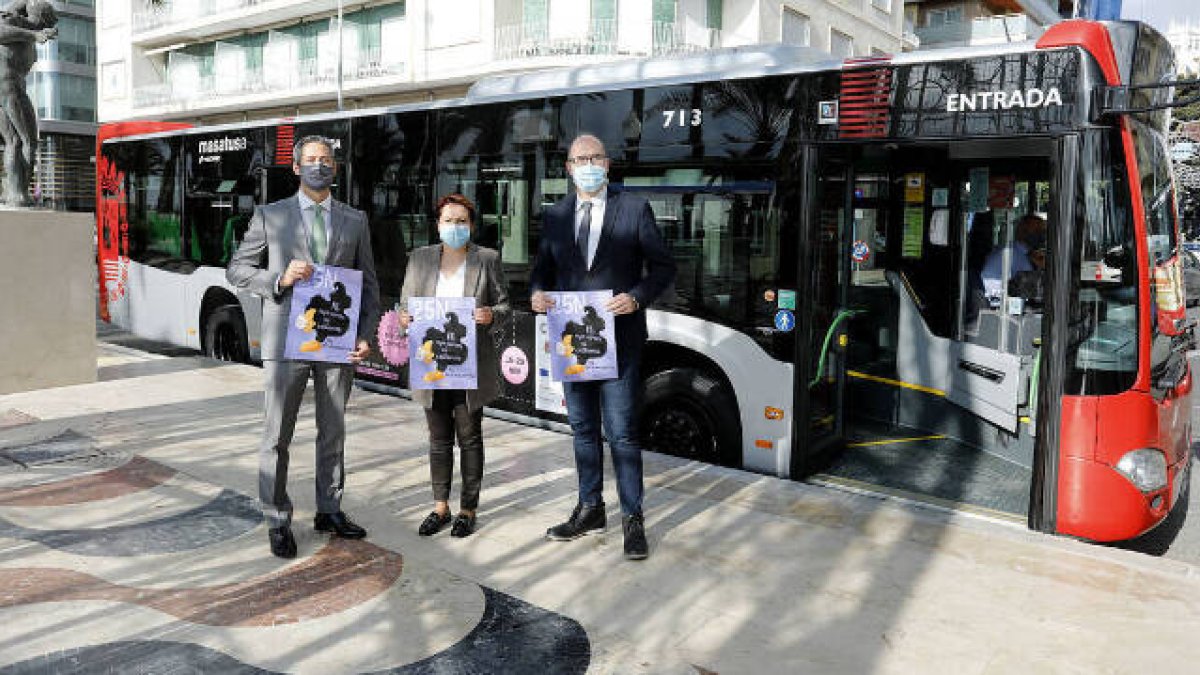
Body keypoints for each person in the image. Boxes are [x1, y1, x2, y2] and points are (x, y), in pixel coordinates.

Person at [226, 135, 380, 559]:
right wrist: (278, 280)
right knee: (276, 434)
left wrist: (364, 334)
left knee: (333, 432)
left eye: (326, 160)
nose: (319, 166)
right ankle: (277, 518)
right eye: (310, 160)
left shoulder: (355, 219)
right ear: (296, 168)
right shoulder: (270, 215)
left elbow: (368, 283)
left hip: (336, 341)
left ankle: (329, 509)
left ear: (336, 167)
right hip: (285, 342)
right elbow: (237, 270)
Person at [530, 133, 676, 561]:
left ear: (608, 164)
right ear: (569, 167)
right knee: (582, 429)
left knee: (623, 433)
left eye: (595, 157)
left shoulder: (634, 207)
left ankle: (633, 518)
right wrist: (537, 295)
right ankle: (590, 508)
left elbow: (664, 266)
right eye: (580, 159)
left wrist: (636, 296)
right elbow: (542, 270)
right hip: (573, 342)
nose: (588, 164)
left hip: (621, 342)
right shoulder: (555, 216)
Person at [399, 194, 509, 538]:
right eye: (449, 220)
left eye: (462, 221)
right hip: (431, 364)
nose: (455, 226)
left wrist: (492, 315)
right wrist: (405, 318)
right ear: (438, 224)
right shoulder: (419, 259)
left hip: (469, 366)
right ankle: (440, 506)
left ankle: (467, 508)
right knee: (438, 438)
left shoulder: (486, 259)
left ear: (472, 225)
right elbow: (405, 304)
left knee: (470, 437)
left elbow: (505, 305)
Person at [0, 0, 57, 206]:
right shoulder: (18, 24)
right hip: (8, 86)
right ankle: (18, 194)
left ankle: (14, 192)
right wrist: (34, 35)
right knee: (27, 141)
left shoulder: (16, 21)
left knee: (15, 141)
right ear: (44, 20)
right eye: (50, 24)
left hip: (11, 87)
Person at [980, 214, 1046, 305]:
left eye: (1043, 232)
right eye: (1037, 231)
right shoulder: (1012, 254)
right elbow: (1031, 289)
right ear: (1023, 231)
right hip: (998, 304)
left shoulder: (1018, 251)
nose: (1042, 236)